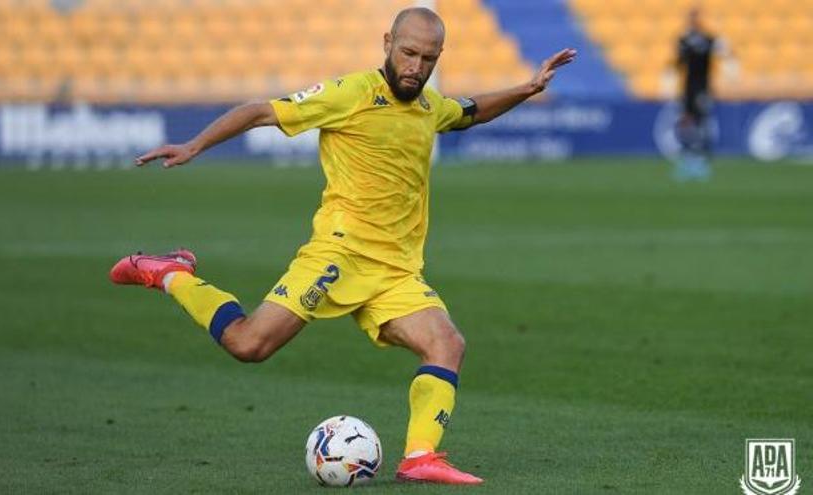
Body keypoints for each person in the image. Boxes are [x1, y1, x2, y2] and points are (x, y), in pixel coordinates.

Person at [110, 7, 574, 485]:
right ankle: (172, 274)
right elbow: (260, 111)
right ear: (387, 41)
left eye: (428, 58)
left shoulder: (428, 107)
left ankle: (419, 457)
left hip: (395, 271)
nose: (416, 66)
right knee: (248, 344)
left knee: (446, 343)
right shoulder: (350, 93)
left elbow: (470, 113)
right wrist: (195, 145)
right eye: (408, 52)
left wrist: (526, 88)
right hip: (339, 254)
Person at [674, 7, 731, 181]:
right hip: (689, 87)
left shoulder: (707, 39)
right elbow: (679, 62)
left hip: (702, 87)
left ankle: (701, 159)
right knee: (688, 121)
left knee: (701, 121)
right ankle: (690, 157)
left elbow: (723, 52)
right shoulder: (685, 40)